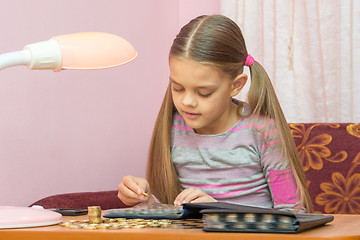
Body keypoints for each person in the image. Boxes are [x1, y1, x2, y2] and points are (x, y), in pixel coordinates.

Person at [118, 14, 313, 212]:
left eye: (204, 93)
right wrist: (145, 200)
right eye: (177, 88)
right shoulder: (175, 128)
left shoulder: (262, 132)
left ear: (236, 86)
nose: (187, 102)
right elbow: (173, 213)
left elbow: (293, 215)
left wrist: (221, 212)